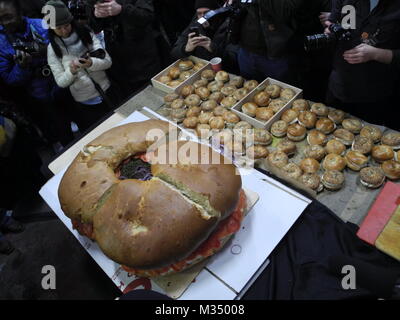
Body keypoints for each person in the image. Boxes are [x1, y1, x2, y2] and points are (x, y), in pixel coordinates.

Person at [0, 0, 73, 147]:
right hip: (41, 97)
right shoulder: (2, 43)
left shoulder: (42, 25)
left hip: (68, 85)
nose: (4, 23)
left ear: (20, 13)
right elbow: (9, 78)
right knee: (66, 138)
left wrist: (46, 51)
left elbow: (69, 50)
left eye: (8, 17)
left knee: (87, 124)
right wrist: (22, 67)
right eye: (0, 19)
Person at [325, 0, 400, 129]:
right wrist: (329, 30)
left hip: (373, 95)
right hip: (339, 84)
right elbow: (332, 22)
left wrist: (376, 54)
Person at [46, 0, 116, 132]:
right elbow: (61, 82)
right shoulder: (52, 49)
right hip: (86, 101)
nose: (63, 30)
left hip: (107, 90)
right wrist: (71, 71)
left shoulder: (85, 33)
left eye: (66, 26)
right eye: (58, 28)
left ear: (71, 22)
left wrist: (91, 64)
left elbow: (107, 61)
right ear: (51, 28)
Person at [89, 0, 162, 99]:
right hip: (119, 62)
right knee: (134, 101)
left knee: (158, 95)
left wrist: (121, 9)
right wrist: (96, 16)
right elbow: (94, 28)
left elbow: (147, 16)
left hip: (144, 58)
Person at [235, 0, 304, 83]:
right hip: (246, 50)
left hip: (276, 55)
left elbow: (285, 11)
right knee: (246, 91)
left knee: (280, 93)